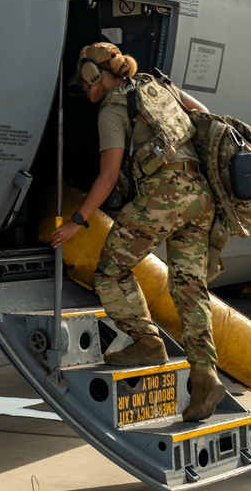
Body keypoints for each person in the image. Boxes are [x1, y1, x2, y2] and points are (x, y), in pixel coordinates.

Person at [49, 42, 226, 422]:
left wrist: (78, 222)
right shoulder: (157, 85)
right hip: (200, 199)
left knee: (111, 270)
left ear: (96, 75)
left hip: (164, 196)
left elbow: (109, 176)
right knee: (190, 288)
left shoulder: (112, 108)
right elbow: (205, 116)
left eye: (85, 82)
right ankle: (204, 375)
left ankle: (147, 342)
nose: (85, 90)